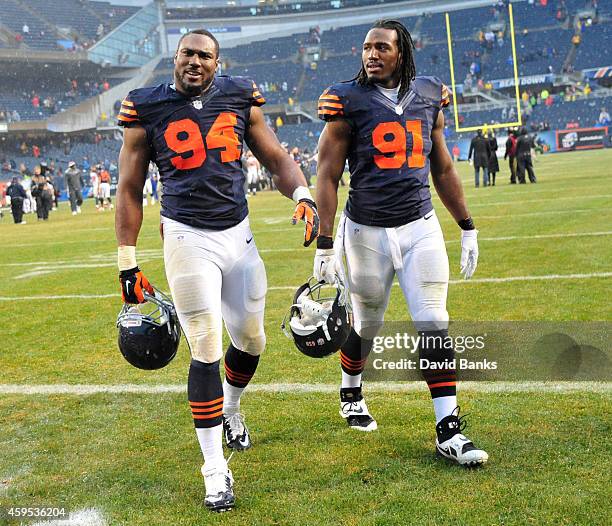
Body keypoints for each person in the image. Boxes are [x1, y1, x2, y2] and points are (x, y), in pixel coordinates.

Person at [114, 29, 318, 512]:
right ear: (175, 57)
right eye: (188, 53)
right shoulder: (146, 106)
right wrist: (127, 260)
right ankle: (214, 468)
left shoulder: (239, 94)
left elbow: (274, 156)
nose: (195, 62)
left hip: (238, 234)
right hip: (186, 236)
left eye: (205, 56)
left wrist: (303, 194)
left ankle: (231, 409)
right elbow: (128, 186)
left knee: (251, 341)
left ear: (217, 62)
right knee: (205, 343)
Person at [314, 19, 487, 467]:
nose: (371, 55)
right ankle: (351, 389)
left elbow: (444, 167)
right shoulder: (345, 99)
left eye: (381, 48)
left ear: (401, 52)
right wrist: (325, 243)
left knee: (433, 318)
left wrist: (466, 225)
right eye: (366, 48)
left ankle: (448, 428)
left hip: (420, 226)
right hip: (366, 231)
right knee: (367, 324)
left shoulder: (430, 93)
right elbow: (328, 176)